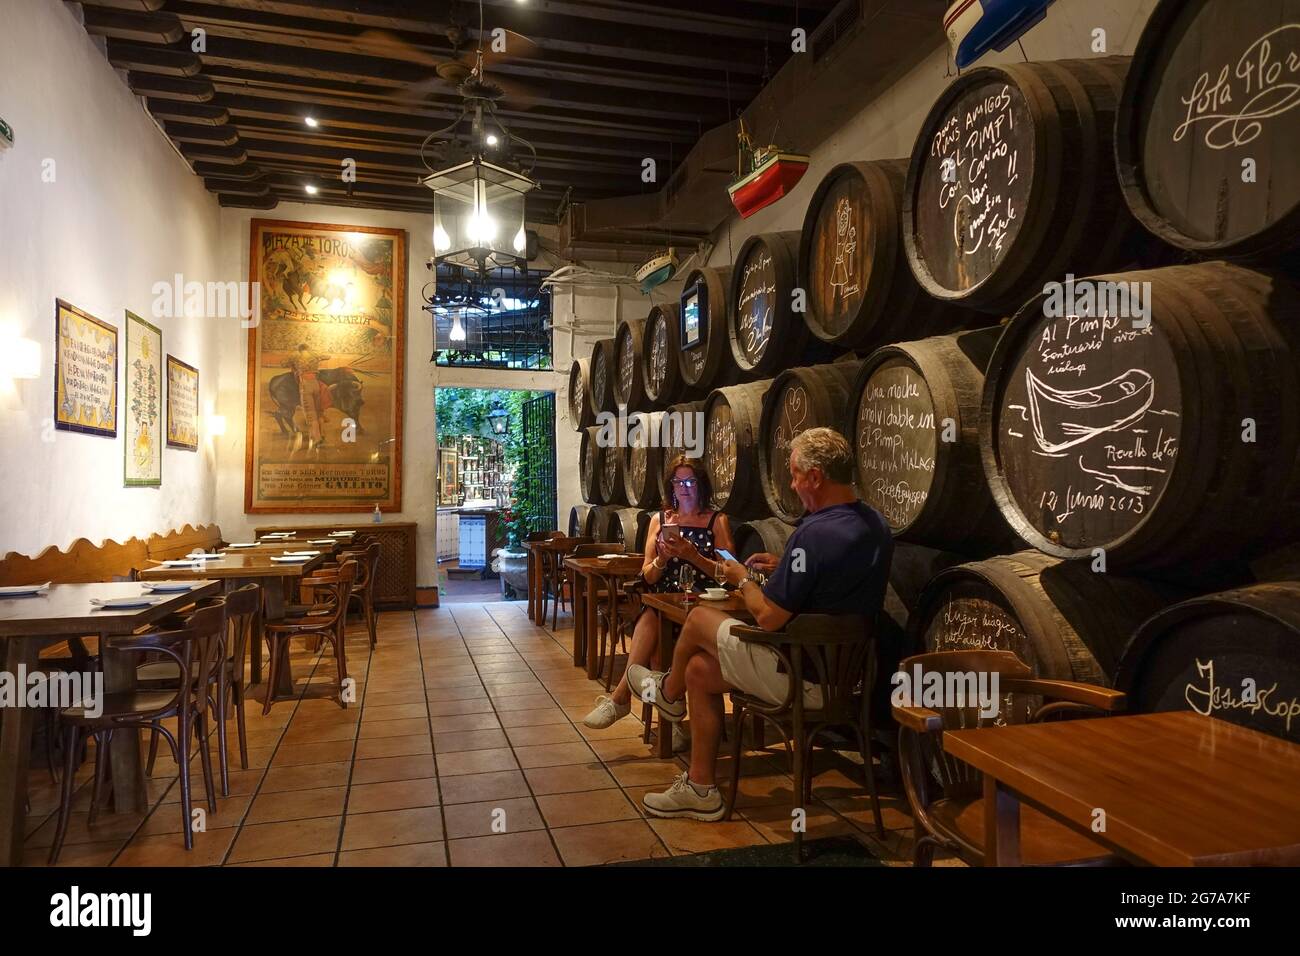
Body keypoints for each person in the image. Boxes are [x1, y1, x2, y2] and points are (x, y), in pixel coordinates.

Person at [627, 427, 892, 820]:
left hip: (799, 677)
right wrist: (786, 564)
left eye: (795, 475)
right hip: (846, 678)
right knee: (698, 670)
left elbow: (768, 618)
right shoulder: (875, 524)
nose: (792, 485)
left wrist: (742, 579)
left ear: (815, 477)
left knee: (698, 618)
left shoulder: (813, 532)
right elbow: (833, 578)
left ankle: (667, 691)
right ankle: (701, 788)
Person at [581, 455, 734, 754]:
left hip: (703, 606)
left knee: (653, 627)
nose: (684, 488)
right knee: (653, 620)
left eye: (691, 482)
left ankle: (623, 700)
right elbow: (647, 575)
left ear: (701, 485)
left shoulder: (716, 521)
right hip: (665, 602)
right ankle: (667, 720)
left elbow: (728, 573)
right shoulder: (659, 521)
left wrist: (693, 556)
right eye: (679, 482)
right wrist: (662, 559)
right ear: (671, 486)